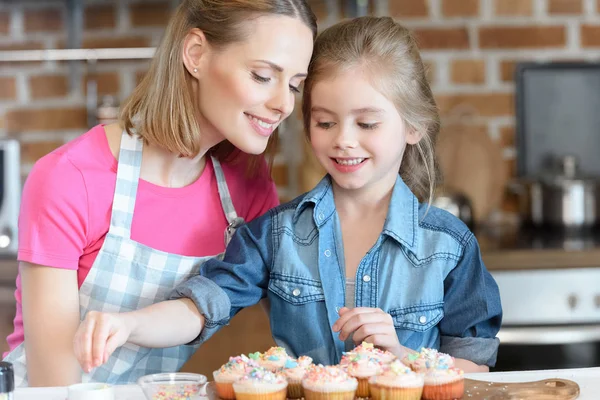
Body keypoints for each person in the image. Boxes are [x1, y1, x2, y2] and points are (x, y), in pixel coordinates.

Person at [73, 16, 502, 375]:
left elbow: (476, 373)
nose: (344, 141)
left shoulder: (450, 246)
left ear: (413, 127)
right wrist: (128, 325)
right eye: (325, 122)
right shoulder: (276, 236)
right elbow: (201, 306)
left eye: (367, 124)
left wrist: (402, 357)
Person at [3, 0, 316, 387]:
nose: (284, 104)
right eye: (262, 76)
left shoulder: (247, 188)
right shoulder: (71, 178)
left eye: (294, 85)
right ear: (196, 54)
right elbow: (56, 387)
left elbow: (306, 327)